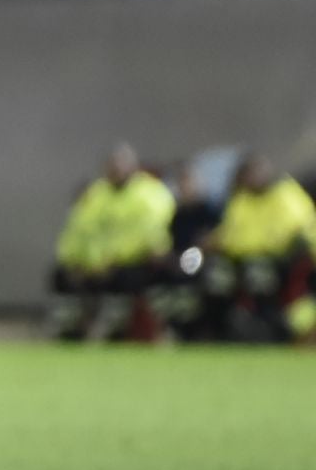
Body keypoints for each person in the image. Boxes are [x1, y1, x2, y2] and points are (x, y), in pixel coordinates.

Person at [49, 144, 175, 341]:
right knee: (62, 277)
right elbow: (82, 229)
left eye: (121, 165)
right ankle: (71, 331)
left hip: (133, 262)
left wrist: (116, 259)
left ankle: (138, 330)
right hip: (98, 265)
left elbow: (149, 231)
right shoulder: (96, 194)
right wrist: (80, 261)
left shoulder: (148, 193)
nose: (116, 170)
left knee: (133, 279)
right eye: (112, 165)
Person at [201, 155, 316, 343]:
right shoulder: (241, 199)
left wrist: (251, 248)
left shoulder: (285, 195)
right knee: (216, 276)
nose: (250, 179)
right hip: (239, 259)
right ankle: (218, 331)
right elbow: (230, 232)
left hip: (278, 260)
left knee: (258, 274)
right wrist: (215, 240)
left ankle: (270, 329)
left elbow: (289, 234)